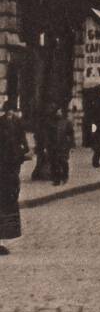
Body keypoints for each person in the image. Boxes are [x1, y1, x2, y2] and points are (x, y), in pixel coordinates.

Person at [0, 102, 29, 256]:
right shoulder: (1, 124)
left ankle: (2, 240)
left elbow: (22, 139)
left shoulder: (17, 123)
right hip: (4, 170)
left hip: (9, 171)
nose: (11, 113)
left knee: (7, 204)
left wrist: (22, 152)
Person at [46, 107, 74, 186]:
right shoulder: (50, 123)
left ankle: (65, 176)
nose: (59, 113)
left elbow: (71, 134)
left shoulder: (66, 122)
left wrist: (71, 145)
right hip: (53, 146)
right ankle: (56, 179)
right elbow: (48, 135)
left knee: (63, 161)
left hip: (63, 145)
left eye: (60, 111)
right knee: (54, 163)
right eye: (58, 111)